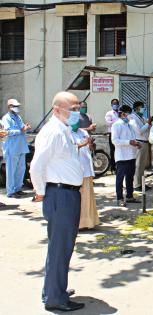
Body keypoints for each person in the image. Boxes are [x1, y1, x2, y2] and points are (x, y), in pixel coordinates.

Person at [30, 91, 85, 312]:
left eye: (78, 108)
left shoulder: (64, 130)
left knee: (62, 247)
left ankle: (54, 288)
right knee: (60, 247)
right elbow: (36, 166)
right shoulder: (52, 132)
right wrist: (41, 191)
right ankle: (55, 298)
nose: (77, 112)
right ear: (57, 110)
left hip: (68, 193)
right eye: (72, 109)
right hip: (59, 195)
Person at [70, 111, 100, 230]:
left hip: (87, 168)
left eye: (78, 121)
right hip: (76, 170)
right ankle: (79, 223)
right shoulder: (67, 133)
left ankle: (89, 222)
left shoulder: (83, 132)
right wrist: (82, 145)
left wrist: (91, 145)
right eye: (75, 121)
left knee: (88, 197)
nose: (77, 123)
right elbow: (69, 149)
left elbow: (90, 148)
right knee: (79, 198)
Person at [111, 105, 141, 207]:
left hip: (131, 155)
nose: (130, 116)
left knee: (130, 177)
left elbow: (132, 138)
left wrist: (136, 143)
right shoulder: (116, 125)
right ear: (123, 113)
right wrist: (129, 142)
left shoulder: (129, 125)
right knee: (120, 178)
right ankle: (119, 198)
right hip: (122, 156)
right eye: (129, 114)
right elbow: (114, 141)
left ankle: (129, 196)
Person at [2, 99, 30, 198]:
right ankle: (10, 192)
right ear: (9, 106)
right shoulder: (6, 118)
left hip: (21, 147)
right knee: (11, 171)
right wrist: (21, 130)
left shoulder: (18, 117)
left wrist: (25, 128)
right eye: (15, 106)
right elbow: (7, 132)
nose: (17, 107)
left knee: (21, 169)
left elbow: (22, 129)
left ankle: (18, 189)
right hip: (12, 148)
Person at [130, 101, 153, 191]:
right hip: (139, 143)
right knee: (138, 164)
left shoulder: (143, 118)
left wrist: (149, 124)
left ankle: (141, 183)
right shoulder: (133, 118)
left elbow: (147, 130)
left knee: (142, 165)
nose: (144, 109)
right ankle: (136, 184)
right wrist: (148, 123)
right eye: (142, 107)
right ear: (136, 108)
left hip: (145, 142)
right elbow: (139, 131)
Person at [105, 99, 120, 172]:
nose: (115, 105)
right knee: (113, 150)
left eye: (117, 103)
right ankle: (113, 167)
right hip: (112, 133)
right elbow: (108, 123)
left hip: (120, 134)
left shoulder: (120, 113)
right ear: (111, 105)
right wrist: (117, 121)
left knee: (118, 150)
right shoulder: (109, 113)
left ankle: (118, 166)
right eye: (114, 104)